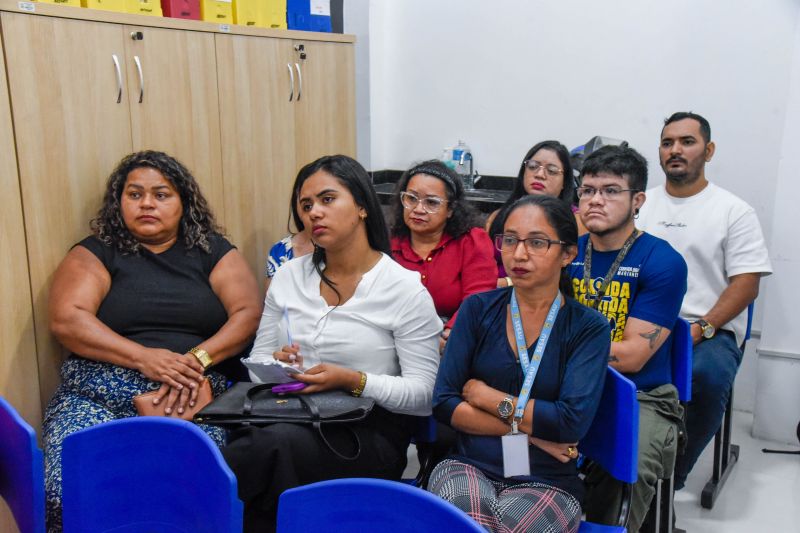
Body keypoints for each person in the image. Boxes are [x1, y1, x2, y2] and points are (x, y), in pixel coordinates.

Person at [43, 150, 262, 532]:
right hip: (96, 394)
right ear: (119, 202)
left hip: (190, 397)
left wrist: (197, 358)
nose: (147, 203)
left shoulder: (213, 252)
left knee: (193, 492)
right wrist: (144, 358)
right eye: (135, 194)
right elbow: (67, 319)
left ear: (183, 202)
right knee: (73, 488)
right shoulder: (97, 252)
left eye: (161, 194)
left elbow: (247, 314)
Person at [222, 155, 442, 533]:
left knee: (271, 450)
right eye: (306, 205)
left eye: (327, 199)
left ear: (360, 206)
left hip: (368, 429)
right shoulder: (290, 276)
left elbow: (424, 396)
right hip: (291, 410)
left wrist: (352, 379)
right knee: (270, 445)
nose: (314, 214)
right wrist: (276, 362)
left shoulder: (403, 288)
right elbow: (256, 359)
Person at [430, 194, 610, 533]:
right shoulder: (477, 310)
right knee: (464, 523)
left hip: (548, 479)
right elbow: (444, 403)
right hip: (469, 464)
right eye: (510, 240)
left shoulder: (588, 327)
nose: (519, 254)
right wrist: (533, 434)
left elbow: (568, 423)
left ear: (568, 253)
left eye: (537, 242)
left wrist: (482, 396)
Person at [638, 112, 772, 490]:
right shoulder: (641, 203)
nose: (675, 150)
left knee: (706, 378)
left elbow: (746, 284)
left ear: (708, 150)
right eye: (667, 143)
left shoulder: (733, 211)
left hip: (705, 330)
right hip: (641, 321)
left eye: (687, 141)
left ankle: (669, 481)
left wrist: (702, 328)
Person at [566, 145, 687, 531]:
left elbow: (634, 356)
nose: (596, 200)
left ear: (638, 200)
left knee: (626, 466)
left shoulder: (661, 260)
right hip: (567, 385)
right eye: (587, 190)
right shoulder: (565, 253)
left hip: (641, 395)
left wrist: (558, 352)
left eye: (611, 190)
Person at [390, 160, 498, 351]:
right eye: (411, 198)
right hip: (394, 338)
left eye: (431, 202)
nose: (418, 209)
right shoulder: (389, 243)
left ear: (450, 210)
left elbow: (478, 299)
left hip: (455, 338)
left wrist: (451, 335)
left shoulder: (471, 241)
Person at [486, 141, 585, 287]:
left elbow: (574, 275)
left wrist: (506, 283)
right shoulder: (498, 216)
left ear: (565, 181)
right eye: (532, 167)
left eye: (551, 171)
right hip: (493, 296)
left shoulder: (577, 222)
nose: (539, 175)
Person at [264, 187, 314, 291]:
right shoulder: (280, 251)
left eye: (327, 200)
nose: (315, 212)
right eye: (308, 206)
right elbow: (272, 303)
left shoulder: (346, 248)